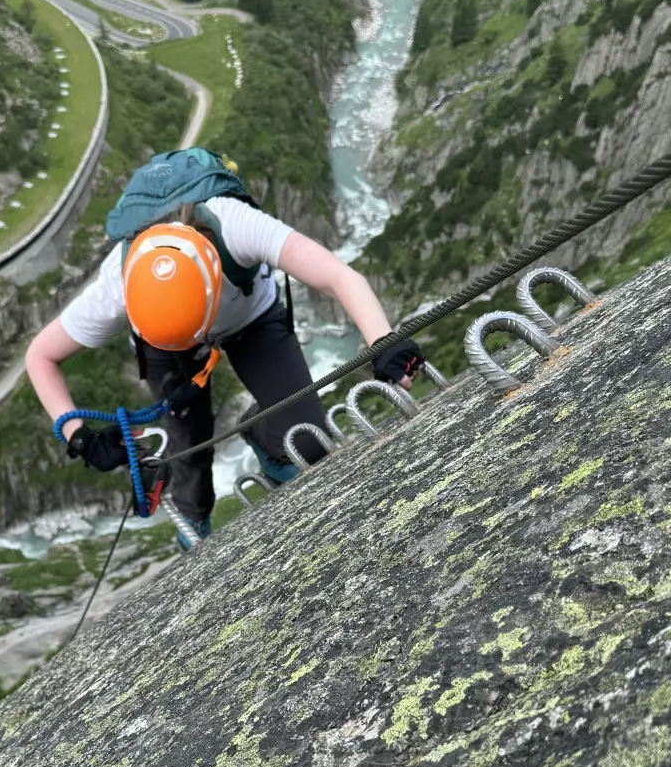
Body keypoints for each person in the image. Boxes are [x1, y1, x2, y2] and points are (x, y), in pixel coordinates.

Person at [24, 146, 423, 541]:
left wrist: (384, 342)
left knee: (308, 442)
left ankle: (261, 431)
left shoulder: (234, 224)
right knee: (190, 450)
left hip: (249, 316)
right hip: (165, 343)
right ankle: (194, 519)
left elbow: (339, 277)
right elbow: (40, 357)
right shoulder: (117, 281)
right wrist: (77, 434)